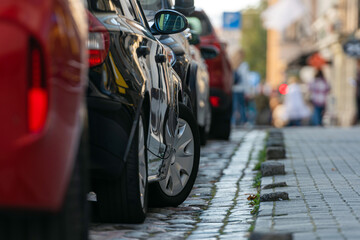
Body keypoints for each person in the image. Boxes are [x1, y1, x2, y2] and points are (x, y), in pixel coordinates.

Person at [232, 61, 248, 126]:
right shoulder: (244, 65)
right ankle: (243, 121)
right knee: (242, 106)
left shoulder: (232, 63)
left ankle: (233, 121)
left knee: (234, 106)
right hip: (241, 89)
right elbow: (245, 79)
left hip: (233, 89)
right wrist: (247, 91)